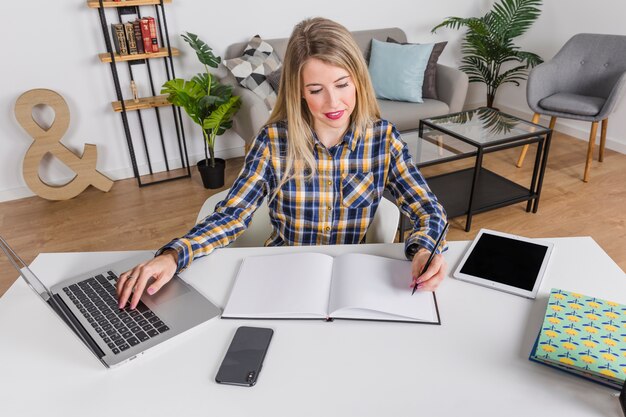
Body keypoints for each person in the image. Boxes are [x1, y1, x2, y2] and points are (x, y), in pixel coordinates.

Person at [117, 17, 448, 310]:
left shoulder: (382, 139)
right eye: (316, 89)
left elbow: (428, 210)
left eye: (342, 84)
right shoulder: (273, 141)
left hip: (351, 280)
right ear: (299, 92)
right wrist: (173, 256)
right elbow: (233, 214)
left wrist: (424, 250)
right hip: (284, 275)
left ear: (359, 80)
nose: (334, 103)